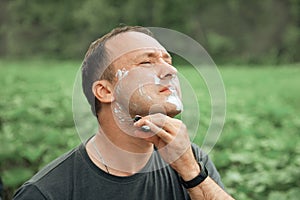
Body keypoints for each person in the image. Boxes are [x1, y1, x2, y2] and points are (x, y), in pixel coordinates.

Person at [14, 26, 234, 199]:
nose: (171, 71)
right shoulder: (47, 192)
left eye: (169, 62)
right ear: (105, 90)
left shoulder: (190, 159)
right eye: (147, 62)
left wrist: (192, 175)